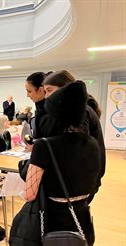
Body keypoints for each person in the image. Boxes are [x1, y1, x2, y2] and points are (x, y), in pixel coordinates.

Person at [12, 81, 99, 246]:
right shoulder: (92, 143)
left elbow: (29, 193)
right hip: (81, 218)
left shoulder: (45, 145)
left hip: (52, 221)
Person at [42, 70, 106, 203]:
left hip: (78, 186)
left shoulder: (81, 114)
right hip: (83, 182)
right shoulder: (81, 111)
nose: (46, 96)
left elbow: (74, 152)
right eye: (45, 91)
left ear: (65, 89)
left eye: (49, 90)